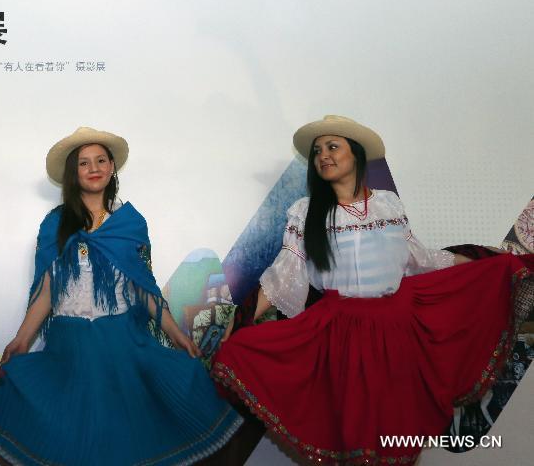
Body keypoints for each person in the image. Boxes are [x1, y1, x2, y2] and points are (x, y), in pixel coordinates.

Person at [212, 115, 534, 464]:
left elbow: (418, 258)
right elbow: (284, 274)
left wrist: (482, 267)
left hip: (398, 330)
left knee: (398, 432)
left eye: (333, 147)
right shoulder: (306, 213)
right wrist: (241, 320)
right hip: (342, 334)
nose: (324, 156)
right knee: (357, 435)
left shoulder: (387, 205)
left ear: (357, 155)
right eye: (318, 150)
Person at [0, 127, 242, 465]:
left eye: (101, 160)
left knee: (124, 441)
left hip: (121, 344)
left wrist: (177, 335)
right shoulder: (54, 225)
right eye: (84, 163)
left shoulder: (130, 224)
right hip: (71, 348)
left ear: (112, 167)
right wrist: (21, 340)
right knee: (77, 440)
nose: (94, 168)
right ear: (72, 174)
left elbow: (142, 287)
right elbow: (47, 289)